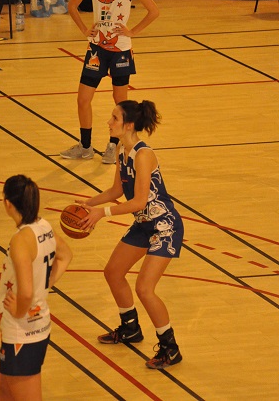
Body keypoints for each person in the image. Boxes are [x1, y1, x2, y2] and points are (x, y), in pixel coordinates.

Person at [76, 100, 184, 369]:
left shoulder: (143, 154)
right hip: (144, 225)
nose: (109, 122)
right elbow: (116, 192)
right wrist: (89, 204)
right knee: (113, 272)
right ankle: (130, 328)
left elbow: (138, 201)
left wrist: (103, 214)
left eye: (114, 118)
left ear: (129, 124)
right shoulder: (123, 152)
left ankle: (170, 348)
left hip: (164, 226)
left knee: (145, 288)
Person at [60, 0, 159, 164]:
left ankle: (113, 146)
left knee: (120, 102)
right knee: (83, 99)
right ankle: (85, 146)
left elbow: (154, 11)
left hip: (120, 50)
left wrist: (132, 31)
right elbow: (72, 5)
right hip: (97, 48)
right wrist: (86, 29)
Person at [0, 175, 72, 400]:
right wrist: (46, 283)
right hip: (27, 326)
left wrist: (19, 312)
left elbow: (27, 292)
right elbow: (66, 255)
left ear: (8, 203)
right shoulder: (44, 226)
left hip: (23, 331)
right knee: (4, 394)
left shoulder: (20, 240)